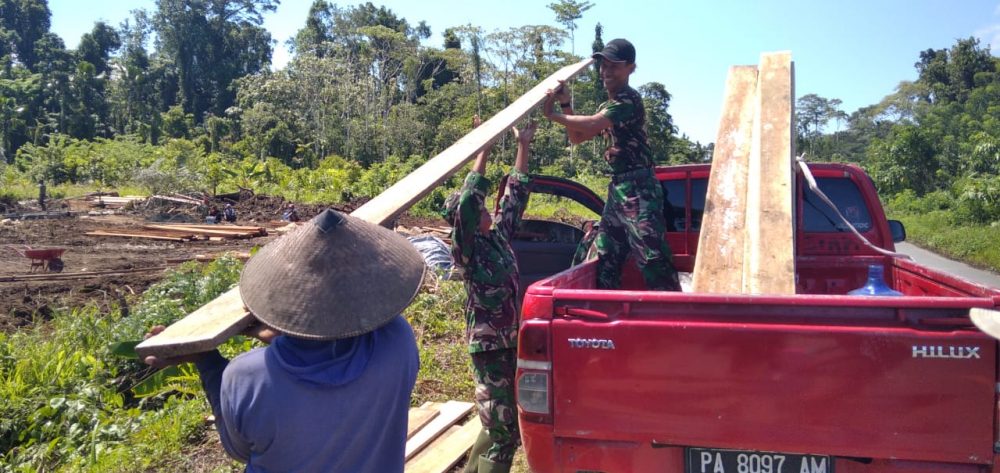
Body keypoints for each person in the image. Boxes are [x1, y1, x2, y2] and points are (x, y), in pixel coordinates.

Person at [144, 209, 425, 472]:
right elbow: (336, 345)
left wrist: (207, 360)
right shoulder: (397, 342)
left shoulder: (246, 377)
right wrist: (274, 333)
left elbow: (239, 449)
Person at [542, 38, 681, 291]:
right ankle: (608, 313)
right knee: (606, 256)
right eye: (603, 65)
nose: (606, 71)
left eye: (613, 66)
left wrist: (553, 115)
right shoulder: (608, 105)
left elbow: (593, 123)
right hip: (618, 189)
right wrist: (565, 103)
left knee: (652, 259)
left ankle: (674, 315)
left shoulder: (628, 100)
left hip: (639, 188)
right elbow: (577, 137)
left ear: (631, 68)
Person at [442, 117, 537, 473]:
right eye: (482, 209)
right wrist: (483, 146)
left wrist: (522, 146)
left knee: (501, 424)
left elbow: (515, 196)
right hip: (489, 347)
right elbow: (469, 199)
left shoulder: (495, 238)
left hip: (511, 341)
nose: (487, 211)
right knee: (503, 431)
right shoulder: (466, 247)